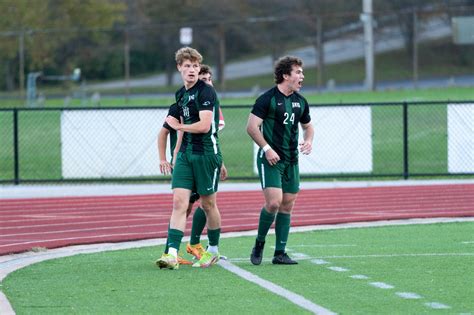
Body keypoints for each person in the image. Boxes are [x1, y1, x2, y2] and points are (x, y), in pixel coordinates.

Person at [156, 47, 223, 270]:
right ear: (179, 68)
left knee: (207, 203)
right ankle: (171, 254)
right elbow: (167, 126)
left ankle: (212, 250)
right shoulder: (180, 94)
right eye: (187, 66)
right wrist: (168, 155)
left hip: (206, 154)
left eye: (195, 66)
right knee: (179, 203)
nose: (192, 70)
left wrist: (180, 126)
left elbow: (204, 126)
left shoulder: (206, 92)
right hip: (185, 155)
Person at [246, 55, 314, 265]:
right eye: (298, 72)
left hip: (291, 160)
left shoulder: (300, 101)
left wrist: (308, 140)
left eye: (302, 72)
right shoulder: (267, 99)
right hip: (271, 160)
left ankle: (280, 253)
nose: (302, 76)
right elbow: (251, 127)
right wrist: (267, 149)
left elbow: (308, 126)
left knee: (287, 205)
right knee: (274, 203)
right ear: (286, 75)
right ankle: (259, 243)